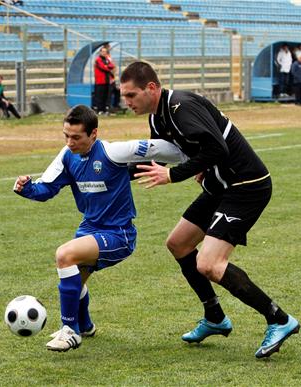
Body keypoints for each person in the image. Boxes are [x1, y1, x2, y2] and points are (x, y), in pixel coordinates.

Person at [120, 61, 300, 359]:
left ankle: (279, 319)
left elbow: (218, 149)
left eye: (131, 95)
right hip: (220, 186)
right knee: (178, 244)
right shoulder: (158, 118)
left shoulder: (180, 107)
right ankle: (215, 317)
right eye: (124, 96)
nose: (126, 102)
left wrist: (175, 175)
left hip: (247, 186)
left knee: (209, 264)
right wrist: (104, 170)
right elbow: (160, 158)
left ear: (151, 88)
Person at [13, 104, 187, 352]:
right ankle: (84, 325)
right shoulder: (67, 155)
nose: (70, 142)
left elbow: (156, 147)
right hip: (89, 229)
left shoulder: (113, 152)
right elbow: (46, 188)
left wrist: (190, 158)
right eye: (66, 136)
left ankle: (69, 331)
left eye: (76, 137)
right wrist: (26, 188)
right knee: (74, 281)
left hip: (119, 234)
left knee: (64, 255)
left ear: (93, 134)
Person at [93, 46, 115, 114]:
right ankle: (99, 110)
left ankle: (104, 109)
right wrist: (107, 67)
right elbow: (103, 67)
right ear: (100, 52)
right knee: (100, 96)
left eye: (105, 52)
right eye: (102, 51)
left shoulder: (106, 59)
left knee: (105, 96)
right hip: (100, 81)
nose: (104, 53)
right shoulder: (98, 59)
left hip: (106, 81)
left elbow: (112, 66)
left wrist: (107, 66)